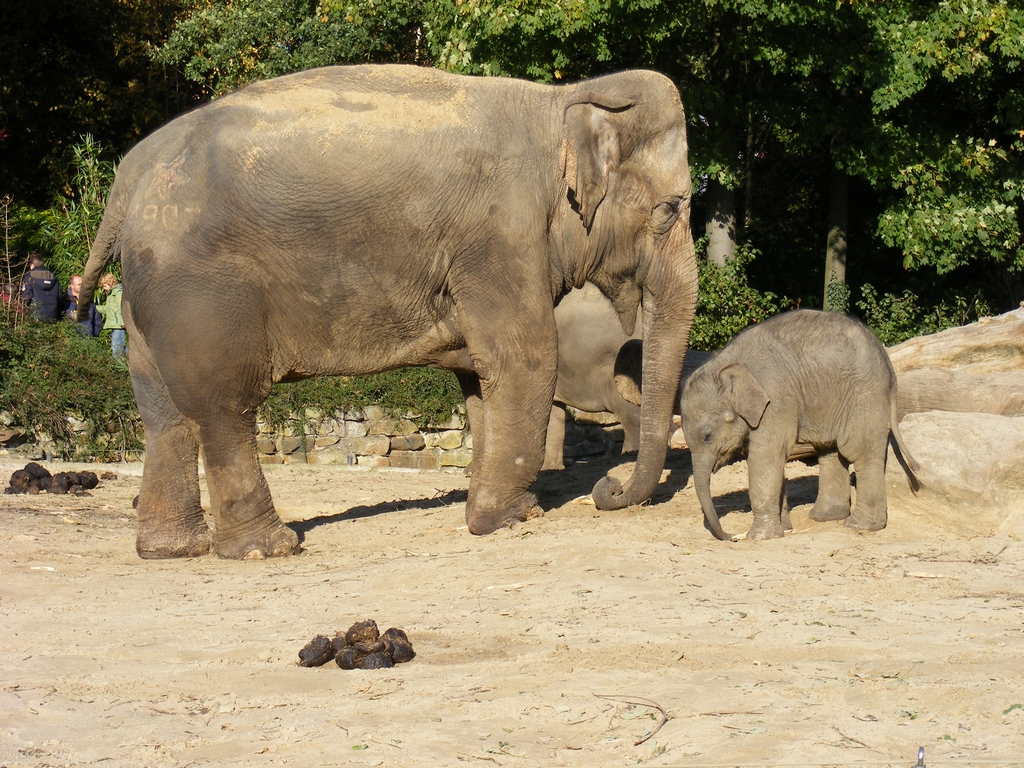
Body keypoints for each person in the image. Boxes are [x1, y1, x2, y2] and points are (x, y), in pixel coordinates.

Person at [19, 252, 63, 322]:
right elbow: (60, 296)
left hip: (36, 315)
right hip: (53, 314)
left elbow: (26, 297)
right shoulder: (53, 277)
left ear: (32, 265)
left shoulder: (29, 277)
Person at [97, 273, 127, 358]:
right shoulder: (111, 294)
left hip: (119, 325)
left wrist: (123, 322)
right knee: (119, 346)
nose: (104, 289)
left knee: (116, 347)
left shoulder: (117, 293)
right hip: (115, 325)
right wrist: (94, 307)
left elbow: (122, 307)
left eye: (104, 286)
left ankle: (118, 362)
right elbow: (107, 309)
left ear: (110, 283)